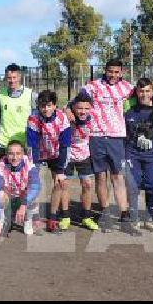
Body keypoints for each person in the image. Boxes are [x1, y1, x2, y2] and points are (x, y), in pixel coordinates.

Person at [67, 59, 153, 234]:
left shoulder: (127, 87)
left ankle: (124, 216)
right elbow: (76, 101)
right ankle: (105, 214)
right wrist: (67, 109)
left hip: (117, 138)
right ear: (105, 70)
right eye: (110, 71)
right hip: (95, 137)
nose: (113, 75)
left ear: (121, 72)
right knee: (101, 178)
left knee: (117, 178)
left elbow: (144, 93)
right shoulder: (92, 86)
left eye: (117, 72)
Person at [26, 90, 71, 234]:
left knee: (59, 183)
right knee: (35, 184)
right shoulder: (33, 119)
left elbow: (65, 145)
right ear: (38, 106)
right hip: (39, 152)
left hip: (57, 152)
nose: (46, 109)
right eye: (42, 106)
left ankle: (53, 218)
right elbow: (32, 145)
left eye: (49, 105)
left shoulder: (62, 118)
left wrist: (60, 171)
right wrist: (33, 166)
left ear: (55, 105)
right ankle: (35, 218)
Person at [123, 78, 153, 235]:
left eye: (147, 91)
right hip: (132, 152)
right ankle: (134, 219)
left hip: (150, 154)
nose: (144, 94)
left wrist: (149, 133)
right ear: (136, 92)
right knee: (133, 185)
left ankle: (149, 217)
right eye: (141, 91)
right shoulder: (129, 109)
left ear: (152, 92)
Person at [0, 64, 37, 159]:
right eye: (9, 78)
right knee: (4, 172)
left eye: (14, 77)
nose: (12, 80)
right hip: (5, 142)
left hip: (24, 142)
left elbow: (38, 117)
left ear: (19, 77)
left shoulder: (30, 94)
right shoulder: (1, 94)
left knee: (23, 172)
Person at [68, 94, 100, 231]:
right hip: (68, 155)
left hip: (84, 155)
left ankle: (86, 217)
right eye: (79, 108)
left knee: (87, 184)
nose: (83, 111)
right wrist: (67, 109)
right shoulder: (67, 118)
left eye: (86, 108)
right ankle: (65, 216)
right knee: (63, 185)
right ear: (74, 108)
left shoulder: (93, 118)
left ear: (91, 108)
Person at [0, 140, 42, 235]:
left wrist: (24, 205)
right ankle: (1, 220)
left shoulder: (29, 165)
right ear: (6, 154)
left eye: (18, 153)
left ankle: (28, 220)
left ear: (23, 154)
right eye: (11, 154)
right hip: (8, 199)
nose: (14, 157)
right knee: (0, 195)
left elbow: (35, 187)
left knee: (34, 197)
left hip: (22, 199)